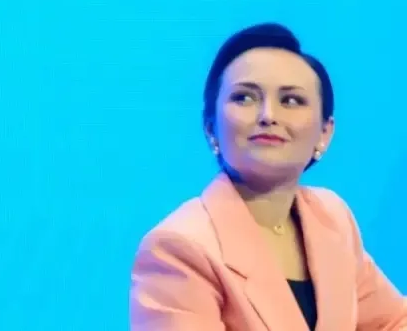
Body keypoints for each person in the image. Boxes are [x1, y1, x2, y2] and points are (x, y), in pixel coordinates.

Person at [129, 23, 407, 330]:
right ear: (211, 129)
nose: (268, 116)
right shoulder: (178, 247)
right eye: (244, 98)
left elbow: (394, 321)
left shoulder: (331, 217)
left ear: (324, 133)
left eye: (291, 101)